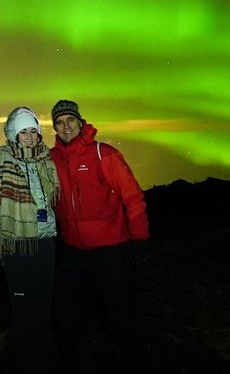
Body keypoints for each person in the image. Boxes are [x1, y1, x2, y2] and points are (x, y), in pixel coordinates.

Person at [49, 98, 150, 372]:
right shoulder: (51, 159)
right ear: (55, 127)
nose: (65, 125)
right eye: (59, 121)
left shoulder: (103, 154)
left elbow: (134, 198)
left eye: (70, 119)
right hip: (74, 252)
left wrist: (139, 240)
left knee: (122, 317)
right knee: (67, 314)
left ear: (81, 123)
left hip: (111, 250)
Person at [0, 105, 59, 368]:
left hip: (45, 243)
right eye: (23, 131)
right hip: (17, 246)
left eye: (33, 131)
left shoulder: (47, 161)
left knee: (42, 308)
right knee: (23, 310)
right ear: (13, 135)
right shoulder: (3, 160)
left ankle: (40, 361)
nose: (29, 136)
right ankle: (24, 362)